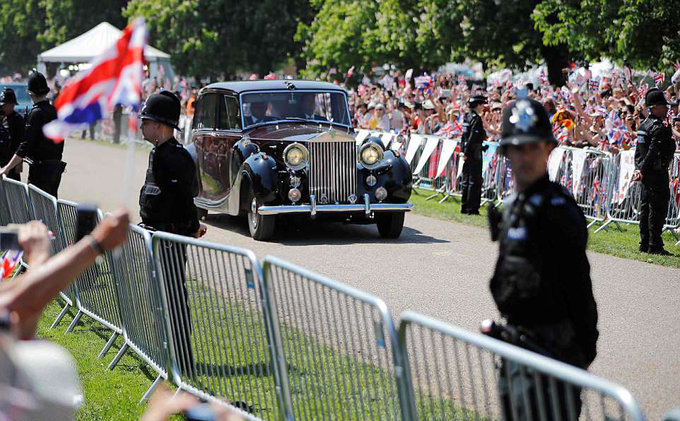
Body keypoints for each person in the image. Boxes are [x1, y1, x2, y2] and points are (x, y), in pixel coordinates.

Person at [488, 95, 599, 421]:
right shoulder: (514, 209)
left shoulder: (558, 211)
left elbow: (579, 284)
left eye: (534, 147)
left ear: (548, 149)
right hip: (515, 349)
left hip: (554, 351)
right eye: (518, 148)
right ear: (507, 153)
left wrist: (583, 351)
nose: (526, 157)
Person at [138, 90, 207, 378]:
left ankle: (183, 359)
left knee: (175, 299)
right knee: (160, 297)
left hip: (169, 238)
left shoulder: (175, 157)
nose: (142, 126)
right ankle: (166, 353)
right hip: (156, 235)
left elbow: (184, 201)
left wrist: (192, 227)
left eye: (146, 121)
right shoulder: (158, 153)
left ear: (161, 125)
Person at [0, 70, 64, 197]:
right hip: (55, 168)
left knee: (39, 210)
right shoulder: (54, 111)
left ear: (30, 93)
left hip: (40, 171)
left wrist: (6, 168)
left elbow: (25, 145)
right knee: (51, 207)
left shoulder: (36, 113)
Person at [633, 88, 677, 255]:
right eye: (664, 106)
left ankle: (644, 243)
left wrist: (639, 169)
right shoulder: (657, 127)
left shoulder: (644, 126)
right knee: (657, 209)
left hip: (646, 173)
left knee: (646, 208)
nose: (667, 109)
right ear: (655, 107)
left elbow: (638, 152)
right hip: (656, 173)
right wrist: (643, 171)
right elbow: (652, 152)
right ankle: (655, 245)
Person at [460, 94, 488, 215]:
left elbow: (463, 136)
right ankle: (472, 208)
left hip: (468, 152)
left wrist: (463, 150)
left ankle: (464, 206)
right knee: (474, 181)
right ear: (478, 105)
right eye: (482, 105)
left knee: (466, 180)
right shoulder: (476, 119)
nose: (483, 107)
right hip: (474, 153)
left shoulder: (467, 117)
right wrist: (467, 151)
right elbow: (472, 138)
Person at [0, 88, 24, 181]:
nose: (2, 107)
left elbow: (22, 142)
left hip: (12, 163)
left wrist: (19, 163)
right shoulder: (3, 118)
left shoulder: (18, 120)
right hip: (3, 161)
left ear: (12, 105)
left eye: (4, 105)